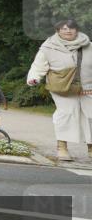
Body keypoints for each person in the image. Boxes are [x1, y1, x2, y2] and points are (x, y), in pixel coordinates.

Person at [27, 18, 92, 162]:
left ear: (77, 30)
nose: (67, 30)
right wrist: (34, 78)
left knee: (91, 117)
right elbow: (38, 66)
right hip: (62, 88)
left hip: (88, 88)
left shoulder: (89, 46)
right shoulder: (48, 47)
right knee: (66, 114)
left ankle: (91, 149)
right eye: (63, 28)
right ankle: (62, 148)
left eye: (71, 28)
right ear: (58, 31)